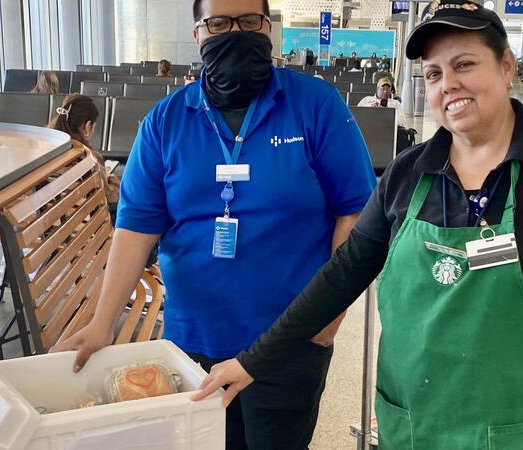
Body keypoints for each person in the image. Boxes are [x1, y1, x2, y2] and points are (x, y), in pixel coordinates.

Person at [193, 2, 523, 449]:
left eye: (465, 64)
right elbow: (341, 275)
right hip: (413, 418)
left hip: (520, 423)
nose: (448, 84)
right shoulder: (407, 173)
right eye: (434, 74)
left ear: (506, 66)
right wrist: (252, 361)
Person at [51, 1, 376, 449]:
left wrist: (327, 319)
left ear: (268, 28)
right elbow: (135, 227)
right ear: (198, 34)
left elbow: (355, 212)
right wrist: (103, 322)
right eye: (219, 23)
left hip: (289, 340)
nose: (235, 33)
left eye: (249, 22)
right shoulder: (165, 122)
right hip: (191, 343)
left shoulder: (315, 105)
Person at [47, 94, 119, 204]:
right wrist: (115, 185)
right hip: (83, 219)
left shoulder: (44, 150)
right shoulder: (90, 158)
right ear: (87, 126)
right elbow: (107, 198)